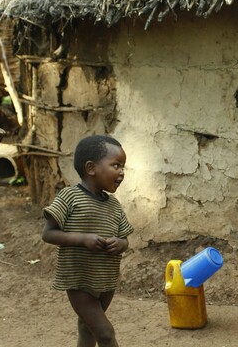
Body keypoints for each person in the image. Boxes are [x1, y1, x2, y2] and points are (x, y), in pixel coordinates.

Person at [42, 135, 133, 347]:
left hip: (105, 280)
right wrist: (82, 239)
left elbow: (124, 239)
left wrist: (120, 244)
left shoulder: (114, 205)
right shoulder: (69, 197)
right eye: (116, 165)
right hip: (79, 280)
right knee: (105, 333)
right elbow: (48, 233)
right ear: (91, 168)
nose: (121, 172)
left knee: (87, 328)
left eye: (123, 167)